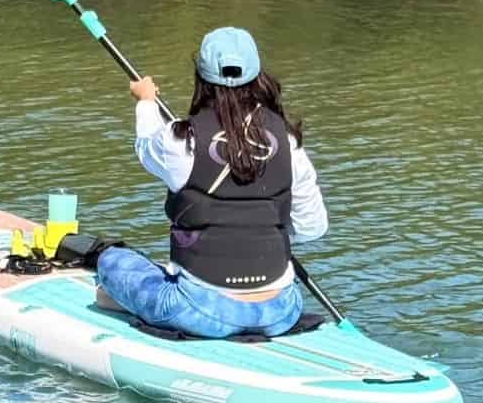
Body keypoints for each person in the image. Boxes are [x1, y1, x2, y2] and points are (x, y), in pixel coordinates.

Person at [95, 26, 328, 339]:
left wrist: (146, 102)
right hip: (281, 310)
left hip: (200, 312)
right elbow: (312, 228)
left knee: (111, 261)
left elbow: (146, 146)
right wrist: (254, 241)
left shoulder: (179, 140)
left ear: (201, 78)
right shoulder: (288, 142)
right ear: (258, 77)